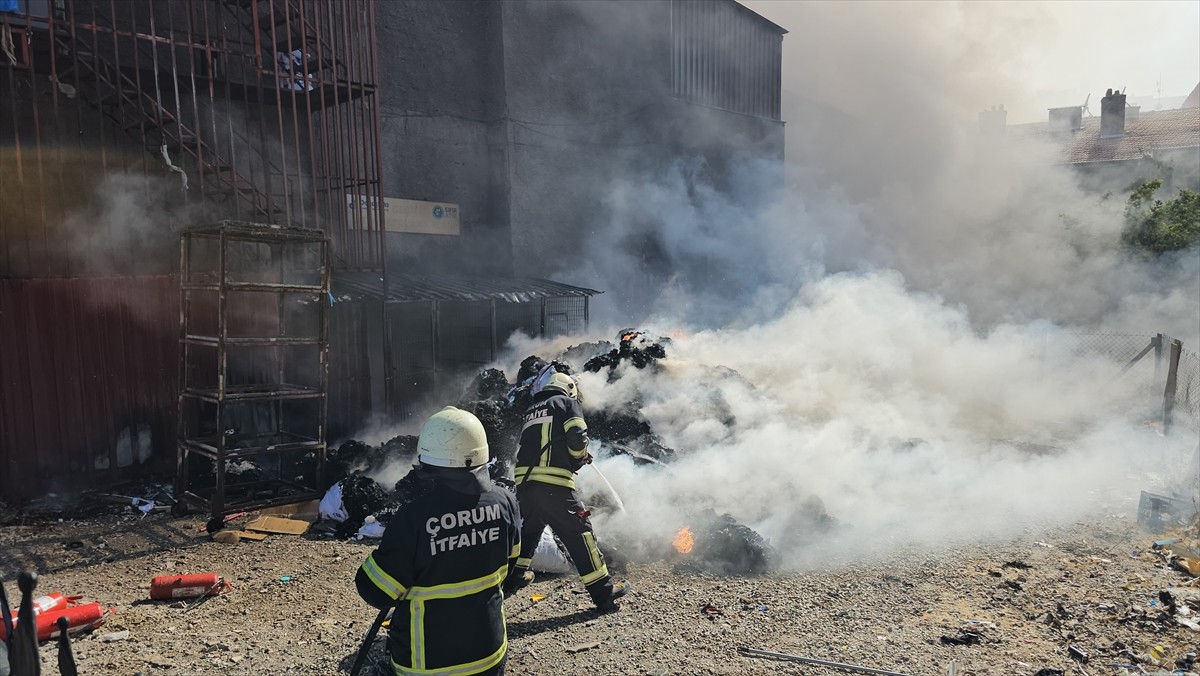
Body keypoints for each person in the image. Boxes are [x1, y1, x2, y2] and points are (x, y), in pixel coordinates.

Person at [355, 406, 520, 676]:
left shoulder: (413, 518)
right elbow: (510, 565)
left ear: (428, 461)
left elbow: (375, 591)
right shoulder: (506, 502)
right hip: (490, 656)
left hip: (427, 665)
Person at [505, 371, 627, 612]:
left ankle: (513, 578)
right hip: (553, 485)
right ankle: (604, 594)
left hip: (525, 484)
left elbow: (540, 443)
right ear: (569, 388)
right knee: (580, 534)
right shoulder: (567, 402)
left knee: (528, 533)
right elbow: (577, 435)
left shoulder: (532, 409)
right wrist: (578, 457)